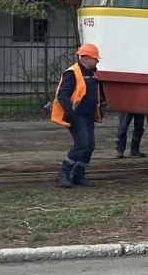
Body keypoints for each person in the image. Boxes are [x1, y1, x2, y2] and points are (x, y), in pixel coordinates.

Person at [51, 43, 104, 188]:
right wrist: (71, 111)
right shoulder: (72, 73)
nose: (97, 61)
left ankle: (78, 174)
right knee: (82, 144)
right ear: (86, 58)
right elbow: (62, 95)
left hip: (87, 116)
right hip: (76, 115)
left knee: (89, 145)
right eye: (95, 58)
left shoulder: (91, 73)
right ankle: (64, 173)